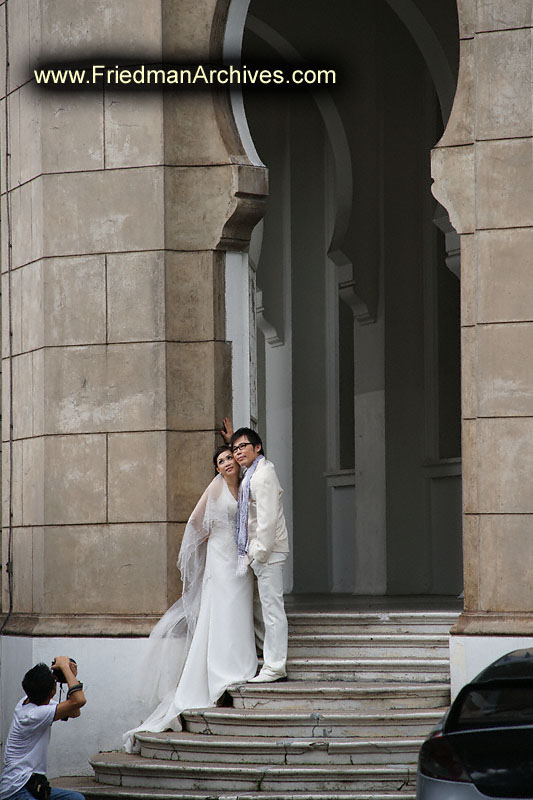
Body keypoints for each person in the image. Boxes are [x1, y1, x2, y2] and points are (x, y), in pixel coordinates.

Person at [124, 445, 257, 752]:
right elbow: (195, 524)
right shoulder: (215, 490)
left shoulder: (248, 483)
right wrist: (214, 537)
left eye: (229, 458)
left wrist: (232, 437)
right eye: (220, 461)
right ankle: (218, 673)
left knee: (237, 613)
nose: (226, 464)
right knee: (219, 612)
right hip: (219, 559)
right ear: (217, 468)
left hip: (241, 562)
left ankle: (238, 664)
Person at [230, 427, 290, 683]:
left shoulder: (263, 475)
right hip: (258, 553)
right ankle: (269, 657)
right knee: (260, 608)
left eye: (243, 446)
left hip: (267, 552)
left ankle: (275, 667)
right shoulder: (252, 472)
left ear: (258, 448)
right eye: (234, 449)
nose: (238, 452)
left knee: (272, 609)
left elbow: (266, 519)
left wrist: (257, 554)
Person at [0, 657, 86, 800]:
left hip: (30, 783)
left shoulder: (28, 702)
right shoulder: (34, 715)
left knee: (76, 798)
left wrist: (71, 676)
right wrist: (65, 667)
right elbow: (79, 701)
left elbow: (74, 711)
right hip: (15, 789)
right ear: (52, 692)